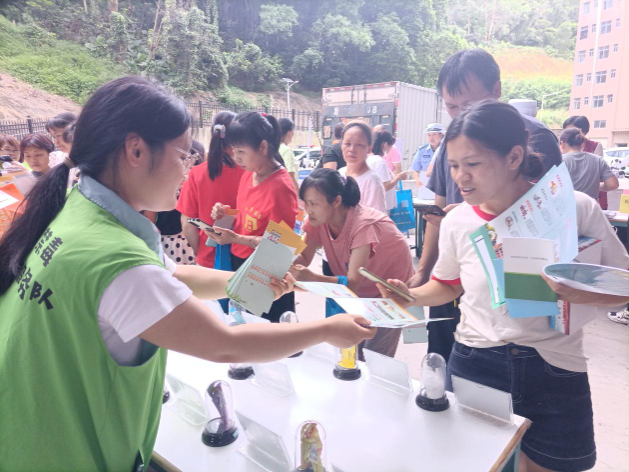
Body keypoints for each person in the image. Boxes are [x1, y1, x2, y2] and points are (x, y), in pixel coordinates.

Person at [0, 76, 374, 471]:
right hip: (67, 454)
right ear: (136, 150)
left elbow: (174, 277)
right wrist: (326, 330)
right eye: (183, 155)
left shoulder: (80, 212)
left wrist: (248, 282)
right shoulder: (118, 260)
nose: (188, 168)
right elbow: (225, 344)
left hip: (27, 433)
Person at [379, 100, 629, 472]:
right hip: (476, 361)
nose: (461, 177)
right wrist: (409, 296)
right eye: (454, 165)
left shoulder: (575, 207)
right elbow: (447, 285)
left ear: (514, 157)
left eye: (473, 164)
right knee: (476, 463)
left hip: (554, 365)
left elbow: (623, 285)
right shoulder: (458, 221)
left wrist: (581, 291)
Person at [409, 48, 563, 363]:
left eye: (468, 104)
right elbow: (440, 208)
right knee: (442, 358)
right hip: (454, 271)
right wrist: (423, 271)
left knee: (506, 362)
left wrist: (475, 216)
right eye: (451, 106)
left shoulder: (535, 137)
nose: (459, 115)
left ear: (496, 90)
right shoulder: (451, 141)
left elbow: (551, 217)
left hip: (509, 281)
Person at [292, 168, 414, 358]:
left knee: (375, 357)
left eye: (313, 203)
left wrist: (311, 278)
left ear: (336, 201)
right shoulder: (318, 220)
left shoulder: (363, 226)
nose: (308, 209)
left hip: (389, 292)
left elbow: (352, 284)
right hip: (359, 292)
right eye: (305, 203)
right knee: (348, 352)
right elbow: (304, 258)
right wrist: (277, 260)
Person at [207, 111, 300, 322]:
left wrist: (236, 238)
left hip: (266, 274)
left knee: (263, 332)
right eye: (233, 150)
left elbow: (281, 245)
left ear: (263, 147)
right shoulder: (249, 174)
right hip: (240, 262)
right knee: (241, 325)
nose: (235, 157)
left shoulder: (280, 187)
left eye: (241, 151)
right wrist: (225, 213)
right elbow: (249, 214)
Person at [177, 112, 245, 268]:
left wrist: (199, 252)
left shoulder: (196, 174)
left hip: (208, 259)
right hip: (243, 256)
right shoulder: (250, 173)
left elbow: (188, 223)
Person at [148, 139, 205, 265]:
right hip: (194, 240)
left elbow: (149, 218)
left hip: (166, 243)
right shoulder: (199, 183)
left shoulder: (161, 183)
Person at [337, 121, 387, 214]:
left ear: (369, 148)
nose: (352, 149)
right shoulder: (339, 174)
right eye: (347, 144)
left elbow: (375, 219)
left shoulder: (372, 181)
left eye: (359, 145)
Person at [563, 115, 609, 210]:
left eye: (570, 130)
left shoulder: (595, 146)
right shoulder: (565, 147)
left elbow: (599, 173)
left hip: (590, 196)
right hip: (570, 195)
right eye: (566, 130)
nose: (567, 134)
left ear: (582, 131)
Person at [560, 128, 618, 200]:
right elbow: (613, 184)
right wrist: (596, 186)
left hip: (567, 204)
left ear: (562, 144)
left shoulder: (559, 160)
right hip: (591, 205)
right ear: (582, 144)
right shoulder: (598, 160)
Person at [370, 130, 408, 212]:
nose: (391, 149)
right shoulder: (380, 162)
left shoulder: (369, 159)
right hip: (381, 206)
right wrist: (398, 177)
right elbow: (385, 186)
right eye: (390, 146)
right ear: (385, 145)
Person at [279, 117, 300, 195]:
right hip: (286, 191)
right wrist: (298, 196)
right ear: (290, 132)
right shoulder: (286, 150)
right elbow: (290, 176)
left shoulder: (273, 147)